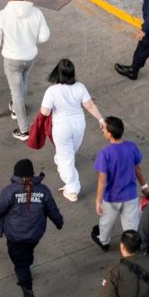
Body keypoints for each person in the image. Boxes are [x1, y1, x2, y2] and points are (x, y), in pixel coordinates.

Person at [0, 159, 64, 297]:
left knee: (20, 263)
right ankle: (27, 264)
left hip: (15, 236)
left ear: (16, 174)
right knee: (28, 252)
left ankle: (28, 293)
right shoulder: (43, 190)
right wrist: (59, 222)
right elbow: (52, 210)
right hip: (35, 234)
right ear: (32, 174)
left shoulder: (10, 191)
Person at [0, 0, 51, 141]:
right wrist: (31, 40)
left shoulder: (2, 15)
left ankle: (24, 130)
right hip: (29, 57)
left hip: (11, 59)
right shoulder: (36, 13)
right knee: (22, 84)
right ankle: (17, 108)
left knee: (16, 92)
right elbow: (44, 36)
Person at [39, 59, 105, 202]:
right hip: (78, 124)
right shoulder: (80, 87)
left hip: (62, 126)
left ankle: (72, 188)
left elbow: (44, 112)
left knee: (66, 158)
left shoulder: (52, 91)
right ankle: (62, 164)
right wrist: (101, 119)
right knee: (70, 151)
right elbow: (89, 105)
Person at [92, 116, 149, 252]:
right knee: (131, 225)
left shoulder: (104, 153)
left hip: (111, 197)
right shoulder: (132, 147)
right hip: (130, 195)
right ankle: (133, 248)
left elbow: (102, 179)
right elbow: (137, 169)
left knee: (106, 222)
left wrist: (98, 200)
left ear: (110, 134)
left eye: (104, 129)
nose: (103, 131)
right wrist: (145, 187)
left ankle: (104, 242)